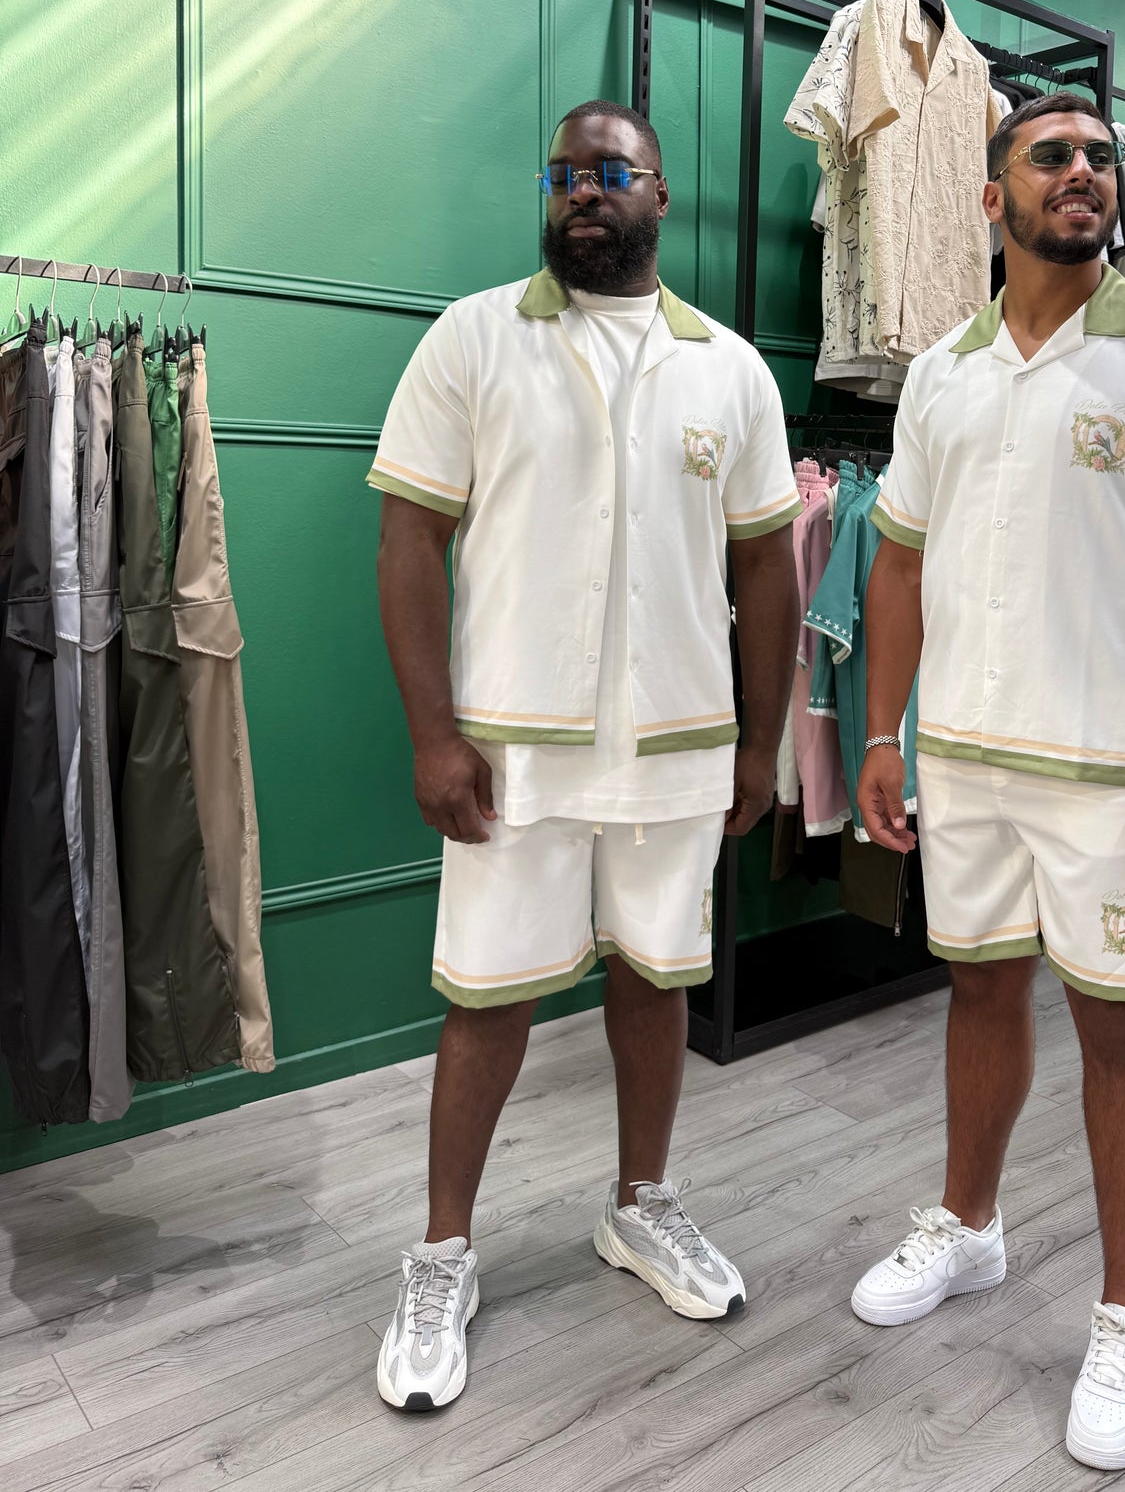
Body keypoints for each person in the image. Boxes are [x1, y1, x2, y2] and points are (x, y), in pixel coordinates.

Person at [851, 93, 1125, 1472]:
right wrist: (881, 734)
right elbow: (898, 565)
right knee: (978, 990)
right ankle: (968, 1225)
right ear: (994, 200)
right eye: (1050, 157)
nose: (1082, 171)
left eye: (1099, 156)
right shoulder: (941, 370)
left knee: (1118, 1029)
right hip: (966, 757)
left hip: (1112, 773)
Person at [368, 100, 801, 1411]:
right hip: (516, 751)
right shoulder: (473, 338)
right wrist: (433, 733)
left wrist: (763, 742)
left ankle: (640, 1204)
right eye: (563, 174)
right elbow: (407, 543)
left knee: (657, 980)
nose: (582, 192)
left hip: (678, 744)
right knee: (486, 998)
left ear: (659, 192)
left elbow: (766, 570)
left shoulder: (730, 369)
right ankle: (442, 1255)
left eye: (610, 172)